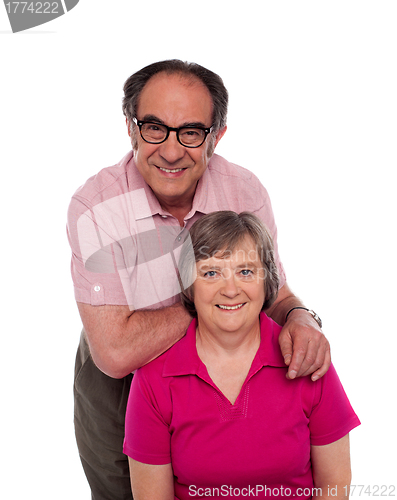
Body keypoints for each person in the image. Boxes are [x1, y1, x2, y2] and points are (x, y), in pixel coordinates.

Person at [67, 60, 331, 500]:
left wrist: (302, 317)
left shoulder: (244, 191)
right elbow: (114, 352)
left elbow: (271, 293)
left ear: (217, 135)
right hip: (121, 380)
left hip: (225, 370)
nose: (171, 152)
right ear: (130, 128)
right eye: (154, 127)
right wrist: (212, 302)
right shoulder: (97, 207)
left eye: (191, 132)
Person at [124, 211, 360, 500]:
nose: (231, 290)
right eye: (211, 273)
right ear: (189, 285)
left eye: (246, 272)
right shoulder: (153, 380)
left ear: (267, 281)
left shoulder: (307, 358)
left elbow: (334, 489)